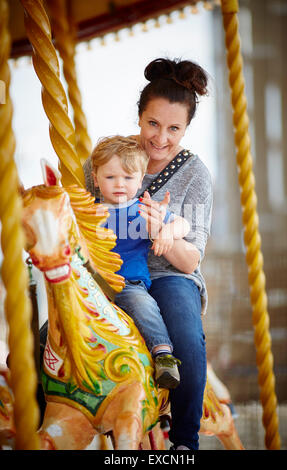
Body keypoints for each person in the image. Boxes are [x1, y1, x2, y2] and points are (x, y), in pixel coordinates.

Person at [84, 57, 213, 451]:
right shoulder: (107, 162)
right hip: (113, 271)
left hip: (169, 275)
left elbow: (191, 260)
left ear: (186, 129)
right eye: (153, 124)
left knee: (187, 339)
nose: (160, 138)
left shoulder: (194, 175)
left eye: (174, 128)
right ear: (139, 117)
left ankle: (184, 442)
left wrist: (161, 231)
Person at [91, 135, 190, 389]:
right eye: (110, 177)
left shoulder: (143, 210)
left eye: (128, 177)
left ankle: (163, 354)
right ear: (95, 178)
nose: (119, 184)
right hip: (91, 286)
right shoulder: (90, 212)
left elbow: (183, 223)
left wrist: (166, 231)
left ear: (140, 178)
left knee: (143, 306)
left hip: (128, 284)